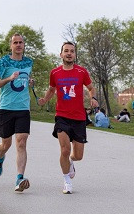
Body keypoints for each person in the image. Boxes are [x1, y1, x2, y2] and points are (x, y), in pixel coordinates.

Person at [38, 41, 98, 194]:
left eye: (72, 51)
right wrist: (45, 99)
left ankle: (71, 162)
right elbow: (52, 90)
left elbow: (91, 88)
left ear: (75, 54)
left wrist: (94, 97)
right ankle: (67, 182)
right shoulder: (55, 73)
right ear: (61, 54)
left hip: (79, 118)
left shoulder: (82, 72)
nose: (69, 53)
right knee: (64, 150)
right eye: (66, 51)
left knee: (78, 155)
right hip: (62, 116)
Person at [0, 33, 34, 192]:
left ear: (24, 45)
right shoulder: (4, 62)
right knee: (5, 144)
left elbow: (25, 79)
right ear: (11, 45)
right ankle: (0, 158)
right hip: (6, 107)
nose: (18, 45)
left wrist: (30, 81)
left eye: (20, 42)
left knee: (21, 142)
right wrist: (9, 78)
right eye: (15, 42)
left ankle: (19, 179)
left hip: (23, 108)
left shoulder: (29, 62)